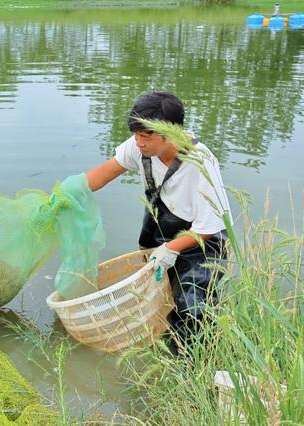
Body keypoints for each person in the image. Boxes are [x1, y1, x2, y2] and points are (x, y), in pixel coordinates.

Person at [85, 91, 231, 345]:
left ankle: (196, 366)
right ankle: (165, 350)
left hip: (201, 244)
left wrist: (170, 249)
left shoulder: (201, 162)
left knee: (193, 309)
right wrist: (69, 192)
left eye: (146, 137)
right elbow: (104, 174)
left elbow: (209, 227)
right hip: (159, 232)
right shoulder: (140, 148)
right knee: (160, 300)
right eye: (136, 135)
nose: (139, 142)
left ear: (171, 134)